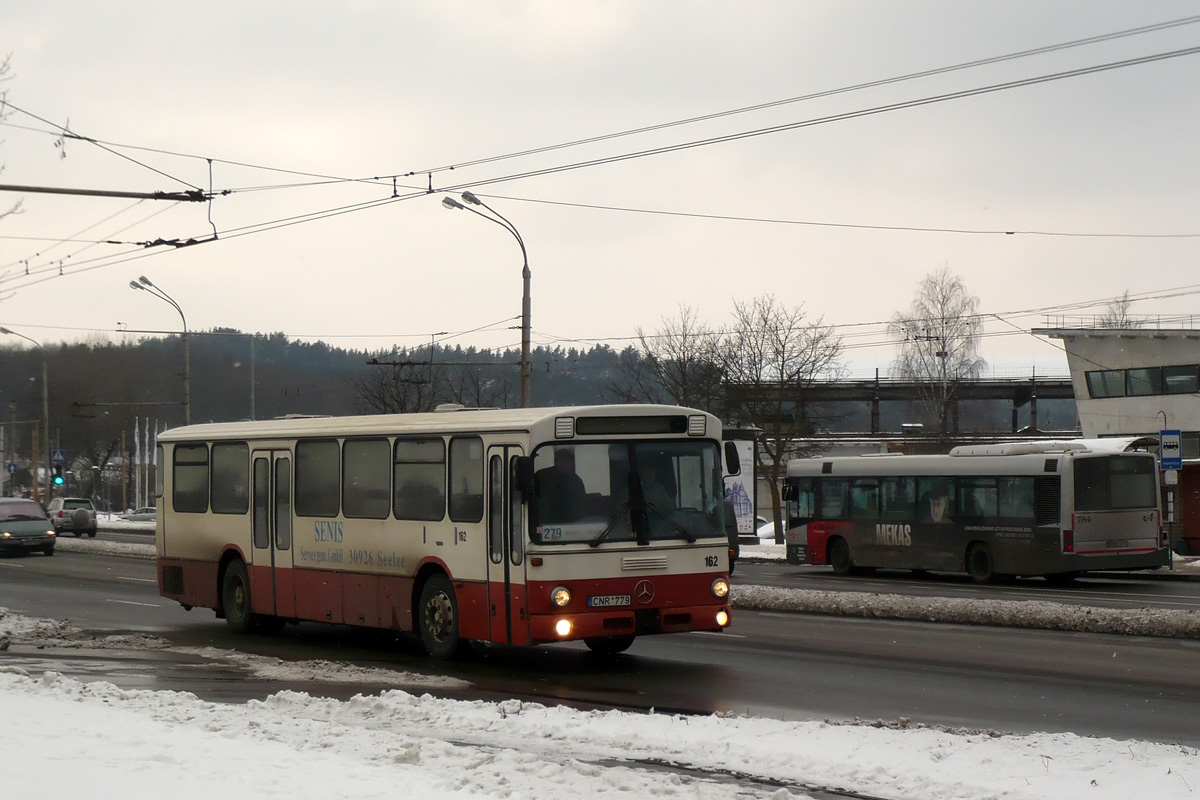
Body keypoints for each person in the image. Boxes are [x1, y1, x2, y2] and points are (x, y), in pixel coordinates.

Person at [534, 448, 586, 523]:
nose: (565, 464)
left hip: (571, 523)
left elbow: (581, 504)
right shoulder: (542, 476)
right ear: (556, 462)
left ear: (572, 463)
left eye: (568, 461)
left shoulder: (576, 481)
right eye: (562, 461)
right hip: (545, 521)